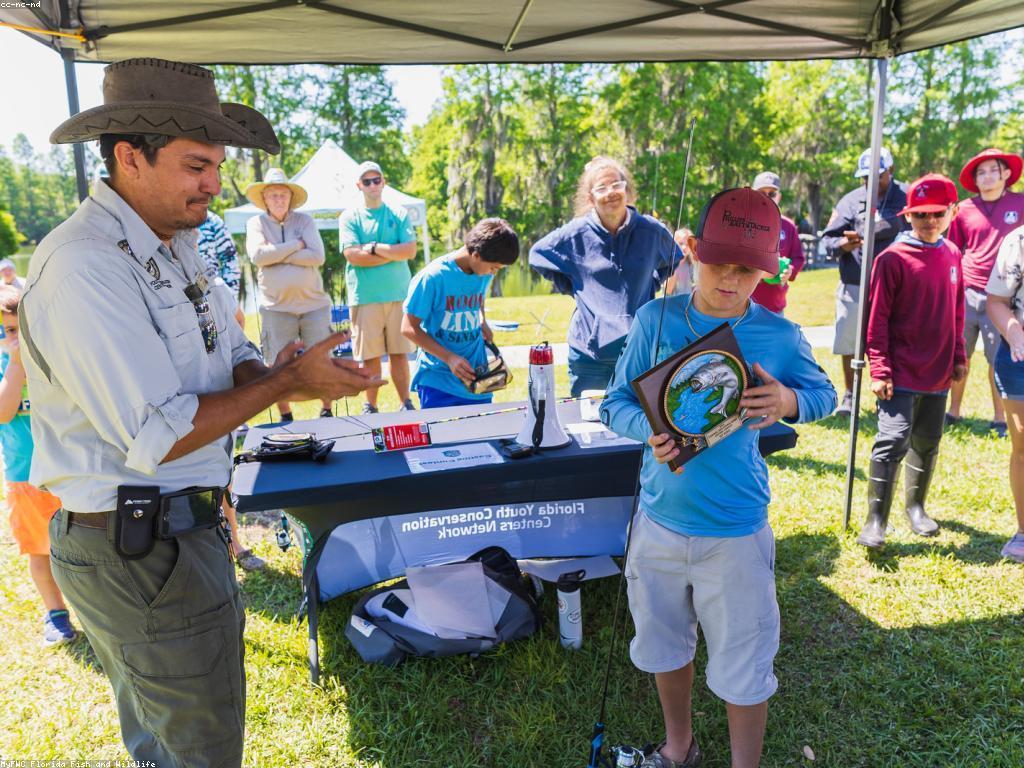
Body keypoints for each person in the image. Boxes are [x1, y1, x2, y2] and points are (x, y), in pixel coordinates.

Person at [27, 58, 379, 766]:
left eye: (215, 166)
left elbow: (232, 350)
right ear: (130, 157)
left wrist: (287, 374)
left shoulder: (174, 243)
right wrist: (282, 387)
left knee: (174, 739)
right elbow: (158, 432)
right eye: (196, 166)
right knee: (200, 748)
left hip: (168, 534)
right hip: (138, 545)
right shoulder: (86, 264)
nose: (214, 185)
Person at [601, 188, 836, 768]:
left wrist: (787, 399)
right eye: (717, 263)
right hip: (657, 522)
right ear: (691, 252)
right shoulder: (655, 319)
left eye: (746, 270)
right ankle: (679, 747)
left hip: (735, 529)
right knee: (662, 645)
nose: (729, 280)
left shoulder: (779, 335)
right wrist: (644, 431)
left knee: (743, 663)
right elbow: (613, 403)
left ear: (766, 272)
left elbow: (826, 394)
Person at [856, 174, 966, 548]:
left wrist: (959, 355)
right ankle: (876, 520)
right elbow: (877, 320)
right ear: (908, 216)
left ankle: (916, 507)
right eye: (920, 215)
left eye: (937, 213)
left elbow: (957, 310)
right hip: (900, 372)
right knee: (892, 439)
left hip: (938, 373)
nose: (929, 221)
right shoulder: (892, 259)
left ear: (951, 212)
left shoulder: (952, 255)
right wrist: (880, 369)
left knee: (927, 440)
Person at [530, 156, 681, 396]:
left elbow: (675, 256)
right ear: (590, 197)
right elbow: (537, 254)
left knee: (641, 429)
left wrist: (650, 282)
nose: (610, 193)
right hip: (589, 360)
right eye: (601, 188)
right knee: (589, 431)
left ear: (626, 190)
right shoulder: (575, 234)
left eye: (616, 185)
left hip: (640, 354)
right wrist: (576, 287)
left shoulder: (651, 231)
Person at [0, 284, 75, 645]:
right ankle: (56, 613)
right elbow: (3, 412)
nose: (14, 337)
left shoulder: (51, 353)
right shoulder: (4, 364)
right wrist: (15, 365)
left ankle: (94, 606)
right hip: (25, 475)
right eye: (7, 331)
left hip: (68, 469)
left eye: (19, 328)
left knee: (82, 543)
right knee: (39, 548)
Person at [821, 147, 908, 417]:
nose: (870, 183)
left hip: (898, 286)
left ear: (890, 171)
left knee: (894, 341)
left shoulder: (906, 196)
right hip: (855, 283)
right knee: (850, 341)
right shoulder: (850, 201)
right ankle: (850, 395)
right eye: (865, 178)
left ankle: (892, 391)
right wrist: (844, 244)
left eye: (877, 176)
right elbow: (827, 241)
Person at [199, 210, 264, 570]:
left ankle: (235, 544)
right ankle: (215, 553)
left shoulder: (216, 285)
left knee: (223, 474)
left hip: (216, 402)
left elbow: (236, 319)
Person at [946, 148, 1024, 437]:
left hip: (1005, 296)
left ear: (1006, 174)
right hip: (968, 290)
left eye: (994, 169)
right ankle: (953, 411)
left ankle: (1000, 417)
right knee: (960, 356)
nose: (988, 176)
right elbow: (953, 250)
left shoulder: (1020, 203)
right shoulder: (964, 210)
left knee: (998, 358)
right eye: (981, 172)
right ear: (974, 180)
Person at [245, 167, 334, 422]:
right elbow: (258, 256)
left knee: (322, 358)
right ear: (265, 199)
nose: (279, 200)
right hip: (276, 307)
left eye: (283, 195)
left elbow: (317, 256)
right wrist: (296, 246)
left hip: (313, 305)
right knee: (276, 364)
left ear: (290, 198)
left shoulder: (304, 221)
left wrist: (276, 254)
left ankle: (327, 410)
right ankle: (285, 415)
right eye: (273, 195)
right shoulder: (256, 223)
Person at [402, 219, 519, 408]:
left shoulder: (482, 273)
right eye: (494, 267)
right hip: (439, 380)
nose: (493, 273)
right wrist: (449, 358)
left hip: (478, 379)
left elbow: (477, 297)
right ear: (476, 254)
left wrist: (482, 321)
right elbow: (408, 328)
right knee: (444, 436)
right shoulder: (433, 277)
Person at [339, 161, 418, 414]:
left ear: (383, 182)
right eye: (367, 181)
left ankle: (405, 402)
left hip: (398, 295)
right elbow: (352, 255)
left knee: (400, 354)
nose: (373, 185)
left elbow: (410, 250)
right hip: (366, 297)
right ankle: (369, 405)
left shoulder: (399, 213)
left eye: (377, 180)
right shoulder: (350, 217)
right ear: (358, 185)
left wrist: (373, 248)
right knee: (370, 357)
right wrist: (392, 253)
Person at [985, 223, 1024, 562]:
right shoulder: (1019, 240)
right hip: (1020, 359)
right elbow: (997, 301)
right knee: (1023, 447)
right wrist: (1015, 335)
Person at [749, 172, 806, 316]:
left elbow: (798, 257)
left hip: (775, 305)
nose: (767, 198)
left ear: (779, 196)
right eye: (762, 193)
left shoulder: (788, 225)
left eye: (772, 194)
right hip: (744, 303)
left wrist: (789, 270)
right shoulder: (742, 222)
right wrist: (758, 273)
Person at [197, 209, 244, 327]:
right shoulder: (171, 220)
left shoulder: (212, 220)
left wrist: (229, 295)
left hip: (214, 292)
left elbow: (230, 259)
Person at [665, 227, 695, 296]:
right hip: (673, 303)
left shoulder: (690, 263)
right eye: (681, 243)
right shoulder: (669, 263)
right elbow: (668, 291)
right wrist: (677, 263)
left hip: (687, 303)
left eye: (687, 245)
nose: (684, 247)